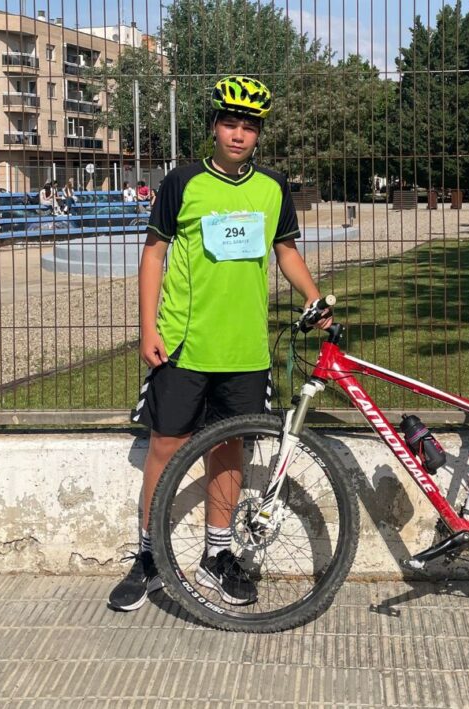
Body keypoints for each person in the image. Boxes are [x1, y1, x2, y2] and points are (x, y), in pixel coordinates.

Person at [110, 75, 332, 612]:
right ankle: (148, 557)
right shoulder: (182, 182)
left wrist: (314, 297)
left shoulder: (273, 187)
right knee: (166, 447)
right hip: (183, 344)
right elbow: (153, 254)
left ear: (258, 134)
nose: (238, 134)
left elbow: (286, 251)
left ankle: (216, 555)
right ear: (213, 126)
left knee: (228, 448)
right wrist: (148, 327)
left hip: (245, 348)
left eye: (248, 127)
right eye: (229, 124)